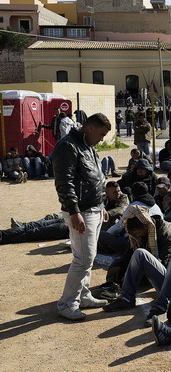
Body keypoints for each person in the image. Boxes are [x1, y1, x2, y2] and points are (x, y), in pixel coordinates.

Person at [53, 113, 112, 321]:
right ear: (91, 127)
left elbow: (96, 178)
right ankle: (67, 303)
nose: (102, 139)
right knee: (83, 258)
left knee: (87, 257)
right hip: (81, 212)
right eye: (102, 134)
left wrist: (102, 204)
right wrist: (74, 211)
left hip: (93, 209)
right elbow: (64, 182)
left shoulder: (87, 145)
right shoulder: (68, 146)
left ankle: (82, 295)